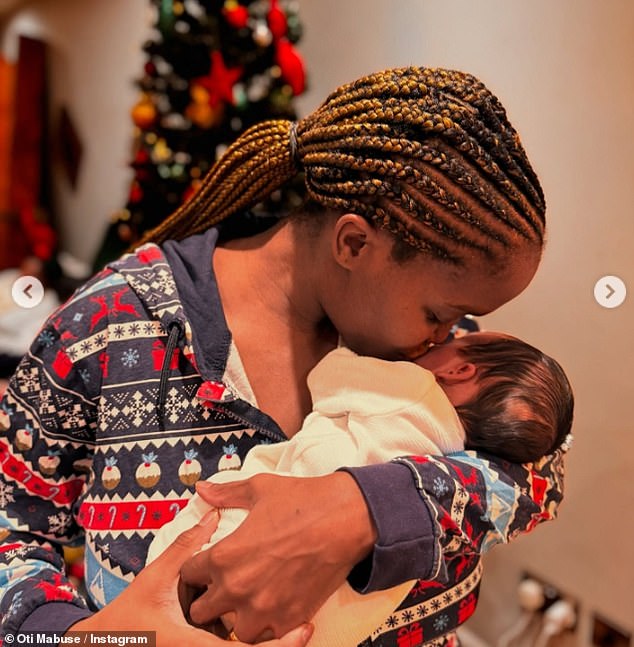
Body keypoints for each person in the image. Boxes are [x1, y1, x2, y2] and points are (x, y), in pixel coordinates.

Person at [0, 66, 568, 647]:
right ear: (354, 243)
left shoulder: (425, 360)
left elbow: (542, 470)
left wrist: (364, 508)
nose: (449, 337)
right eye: (438, 314)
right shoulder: (114, 326)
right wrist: (92, 639)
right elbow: (10, 522)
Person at [147, 332, 573, 646]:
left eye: (456, 334)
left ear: (460, 370)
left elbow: (332, 375)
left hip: (256, 530)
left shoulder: (417, 388)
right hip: (328, 625)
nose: (441, 334)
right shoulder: (454, 451)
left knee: (205, 521)